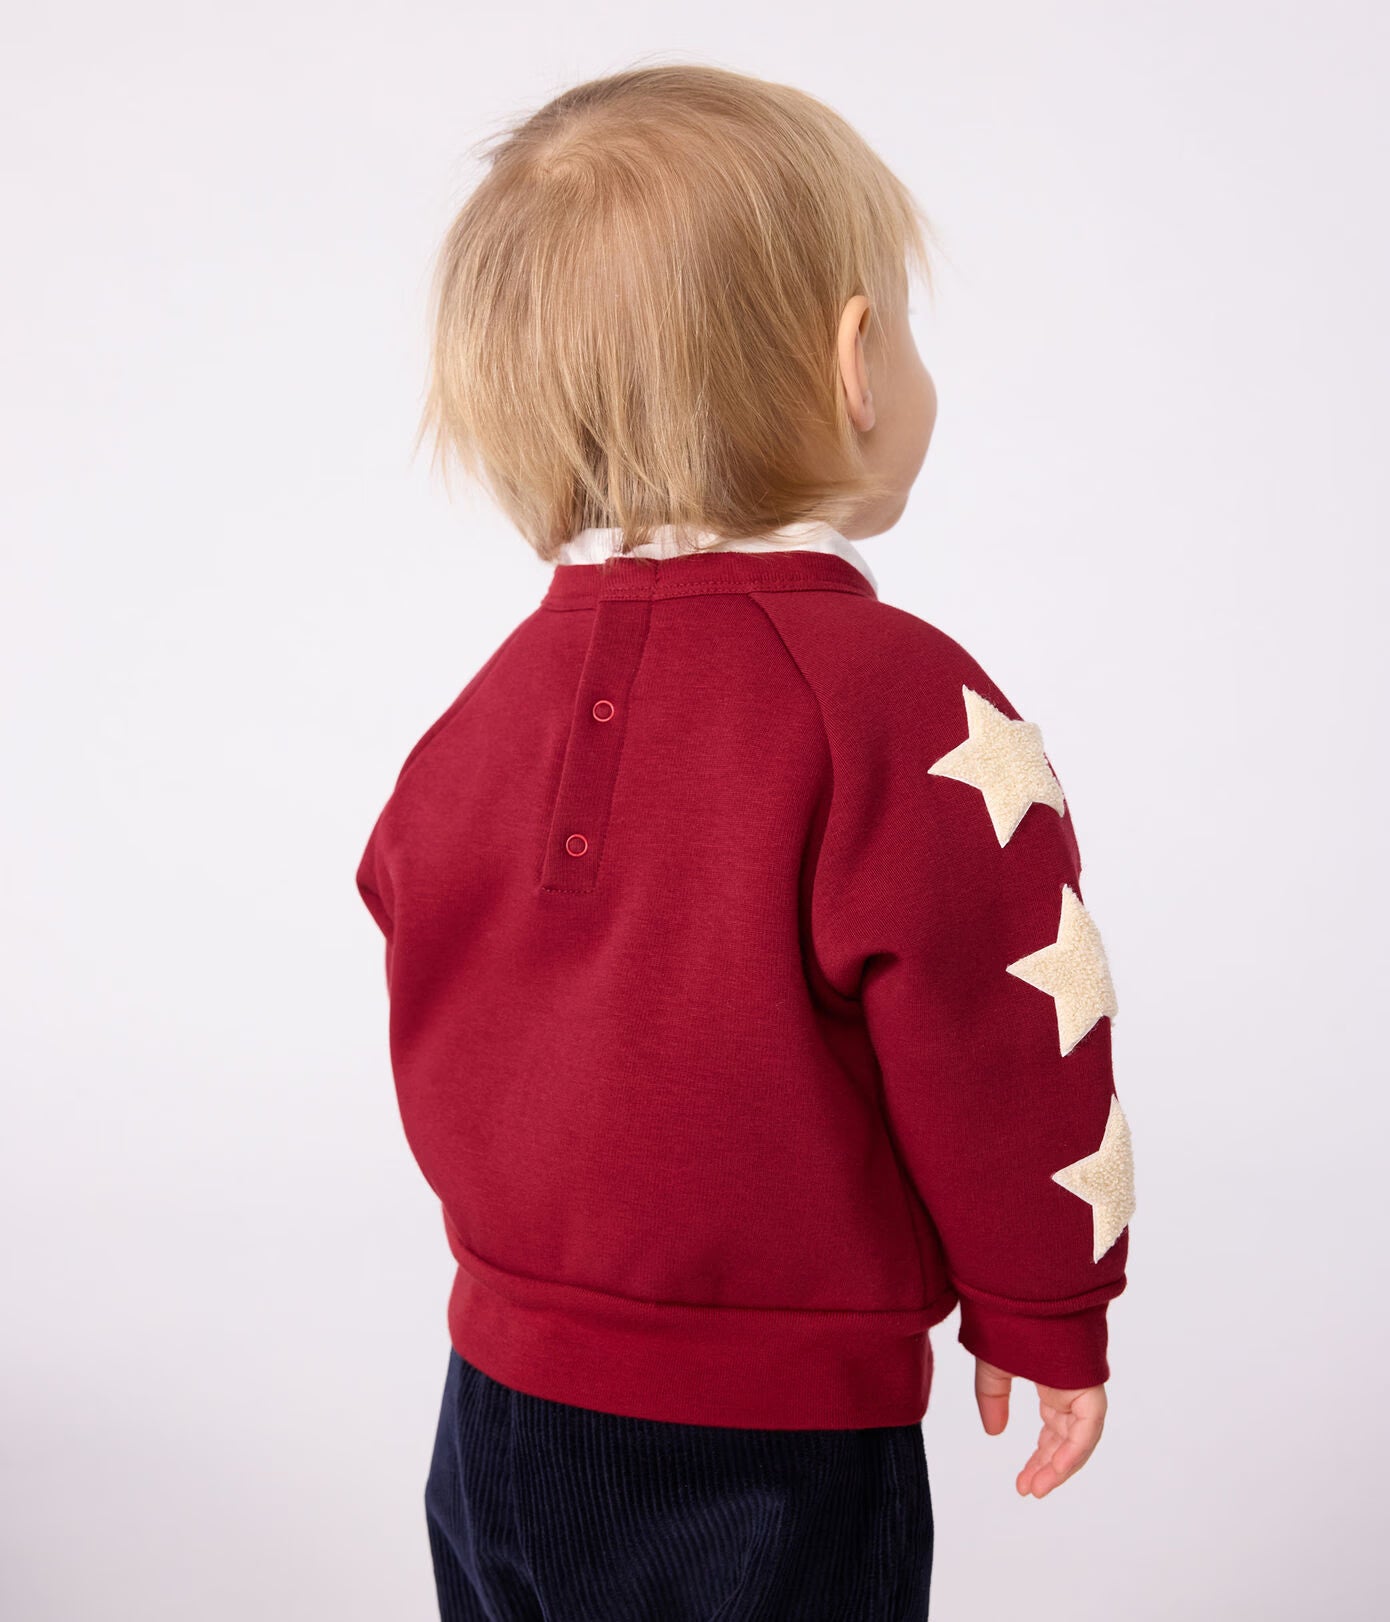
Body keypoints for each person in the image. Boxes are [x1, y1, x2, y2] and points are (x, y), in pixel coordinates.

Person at [354, 60, 1135, 1622]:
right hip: (773, 1447)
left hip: (492, 1412)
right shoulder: (895, 700)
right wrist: (1046, 1302)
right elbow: (1000, 1028)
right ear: (855, 365)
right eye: (901, 325)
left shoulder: (480, 711)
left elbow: (429, 949)